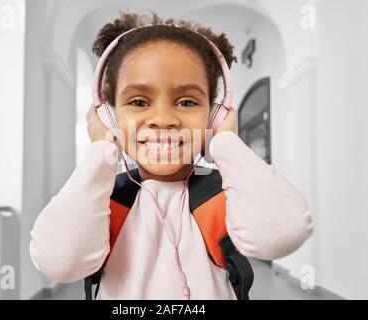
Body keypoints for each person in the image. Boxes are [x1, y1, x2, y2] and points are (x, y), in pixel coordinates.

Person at [29, 11, 314, 300]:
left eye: (187, 101)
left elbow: (286, 231)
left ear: (213, 116)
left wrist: (224, 141)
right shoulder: (105, 199)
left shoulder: (223, 193)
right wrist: (102, 150)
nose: (163, 119)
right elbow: (58, 261)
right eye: (138, 101)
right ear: (109, 117)